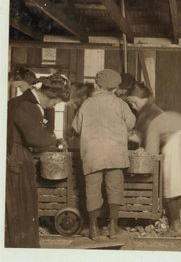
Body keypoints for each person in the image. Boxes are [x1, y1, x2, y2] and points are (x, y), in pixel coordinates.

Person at [126, 82, 181, 236]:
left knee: (171, 186)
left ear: (145, 100)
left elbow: (152, 153)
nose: (133, 107)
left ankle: (176, 227)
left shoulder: (152, 119)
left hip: (176, 145)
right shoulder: (164, 114)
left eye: (134, 102)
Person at [5, 72, 70, 248]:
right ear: (48, 95)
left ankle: (23, 246)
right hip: (14, 158)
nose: (55, 105)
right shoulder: (26, 106)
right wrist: (54, 140)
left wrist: (51, 134)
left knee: (22, 206)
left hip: (18, 156)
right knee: (19, 206)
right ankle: (20, 248)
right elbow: (34, 138)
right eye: (55, 102)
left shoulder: (30, 104)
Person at [72, 69, 136, 241]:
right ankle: (113, 227)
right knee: (115, 189)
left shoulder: (87, 104)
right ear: (115, 88)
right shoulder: (120, 104)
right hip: (115, 154)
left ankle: (93, 228)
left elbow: (76, 127)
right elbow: (131, 123)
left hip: (92, 155)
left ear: (97, 85)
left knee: (92, 191)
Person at [64, 82, 94, 149]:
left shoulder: (86, 106)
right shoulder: (82, 106)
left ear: (83, 97)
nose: (71, 103)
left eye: (75, 100)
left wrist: (71, 132)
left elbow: (76, 129)